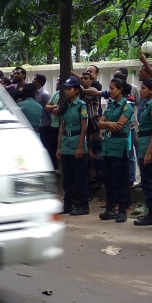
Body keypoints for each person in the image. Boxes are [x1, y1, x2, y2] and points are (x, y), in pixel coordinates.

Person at [97, 79, 134, 223]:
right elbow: (99, 123)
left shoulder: (126, 106)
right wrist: (108, 124)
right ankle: (110, 208)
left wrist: (106, 125)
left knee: (120, 179)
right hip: (107, 146)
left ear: (120, 90)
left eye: (112, 88)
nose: (110, 91)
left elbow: (119, 126)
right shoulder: (111, 106)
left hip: (119, 146)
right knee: (108, 178)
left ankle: (122, 210)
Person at [57, 77, 89, 216]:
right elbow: (62, 126)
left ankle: (82, 205)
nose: (66, 91)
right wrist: (59, 146)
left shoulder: (81, 105)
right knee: (67, 177)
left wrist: (80, 146)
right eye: (66, 88)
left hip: (76, 142)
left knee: (79, 177)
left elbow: (84, 127)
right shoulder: (66, 106)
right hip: (66, 144)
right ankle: (67, 204)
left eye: (69, 89)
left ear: (76, 90)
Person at [134, 79, 152, 227]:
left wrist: (148, 152)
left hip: (149, 146)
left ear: (151, 90)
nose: (140, 90)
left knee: (151, 182)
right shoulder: (147, 104)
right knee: (147, 182)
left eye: (143, 88)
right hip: (144, 143)